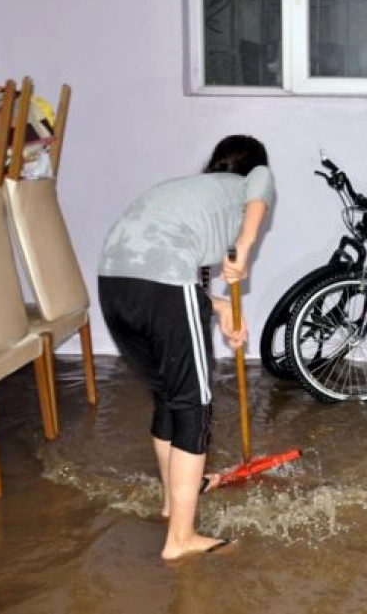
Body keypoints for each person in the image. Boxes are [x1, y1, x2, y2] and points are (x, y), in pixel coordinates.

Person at [97, 135, 275, 561]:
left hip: (112, 283)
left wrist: (220, 310)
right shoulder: (253, 179)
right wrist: (244, 249)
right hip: (161, 282)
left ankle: (170, 503)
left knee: (168, 393)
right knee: (194, 404)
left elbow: (179, 289)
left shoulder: (186, 194)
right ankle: (181, 539)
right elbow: (261, 188)